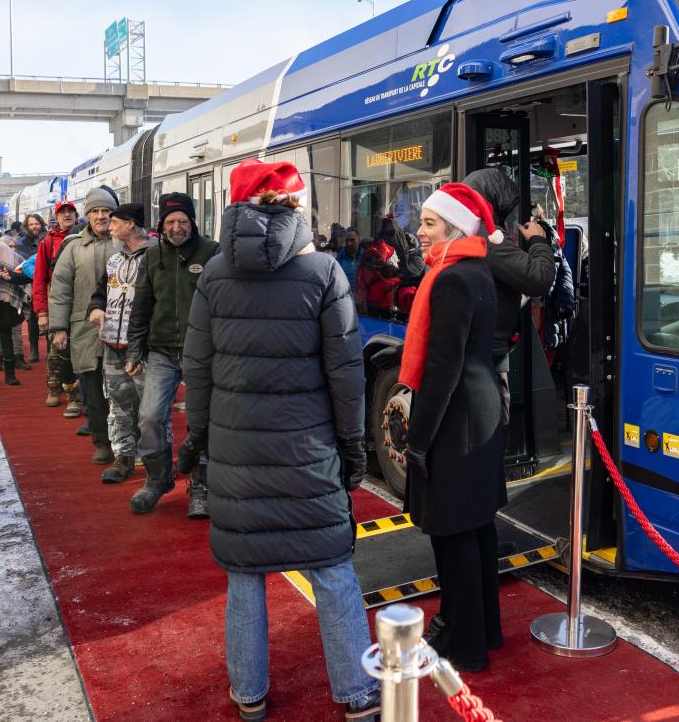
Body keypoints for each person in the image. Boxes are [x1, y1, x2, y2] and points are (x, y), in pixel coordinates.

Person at [181, 158, 379, 721]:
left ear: (237, 206)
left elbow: (197, 370)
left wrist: (199, 444)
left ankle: (249, 694)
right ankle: (357, 694)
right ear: (296, 206)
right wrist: (353, 448)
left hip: (238, 453)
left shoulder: (215, 274)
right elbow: (347, 375)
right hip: (308, 452)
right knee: (333, 569)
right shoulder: (324, 273)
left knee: (245, 575)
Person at [402, 182, 506, 673]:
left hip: (456, 417)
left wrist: (417, 439)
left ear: (455, 228)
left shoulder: (450, 280)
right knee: (477, 526)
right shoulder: (475, 271)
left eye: (428, 223)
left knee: (452, 533)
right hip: (476, 411)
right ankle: (483, 629)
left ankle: (463, 643)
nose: (418, 232)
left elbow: (441, 370)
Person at [124, 192, 219, 516]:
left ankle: (201, 484)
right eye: (170, 221)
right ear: (161, 225)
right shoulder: (151, 257)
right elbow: (141, 307)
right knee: (150, 416)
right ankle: (158, 479)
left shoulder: (212, 253)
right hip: (161, 351)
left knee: (200, 421)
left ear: (192, 222)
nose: (177, 227)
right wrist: (135, 350)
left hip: (201, 352)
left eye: (182, 220)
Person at [462, 167, 556, 423]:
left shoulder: (464, 232)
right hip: (488, 352)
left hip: (478, 347)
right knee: (494, 426)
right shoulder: (486, 239)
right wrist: (538, 241)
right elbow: (539, 279)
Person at [48, 188, 119, 464]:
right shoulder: (74, 247)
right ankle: (102, 443)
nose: (101, 216)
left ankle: (126, 442)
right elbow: (61, 289)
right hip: (84, 330)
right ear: (87, 215)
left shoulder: (126, 240)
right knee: (93, 390)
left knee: (124, 390)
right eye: (96, 211)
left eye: (106, 211)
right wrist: (58, 327)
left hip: (123, 328)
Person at [86, 203, 155, 484]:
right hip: (112, 344)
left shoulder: (156, 257)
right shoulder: (114, 258)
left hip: (145, 347)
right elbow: (99, 292)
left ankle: (154, 458)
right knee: (118, 403)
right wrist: (95, 308)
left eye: (115, 222)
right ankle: (123, 456)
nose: (109, 226)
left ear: (130, 225)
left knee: (150, 408)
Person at [34, 201, 82, 413]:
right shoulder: (47, 242)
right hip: (56, 305)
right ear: (56, 217)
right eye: (63, 212)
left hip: (81, 305)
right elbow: (39, 279)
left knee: (78, 352)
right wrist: (42, 312)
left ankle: (74, 394)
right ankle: (54, 388)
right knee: (56, 352)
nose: (67, 215)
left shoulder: (84, 238)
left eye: (71, 211)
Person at [0, 236, 34, 386]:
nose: (10, 248)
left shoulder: (17, 258)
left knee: (6, 335)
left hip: (7, 303)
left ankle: (10, 374)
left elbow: (25, 276)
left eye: (12, 245)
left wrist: (12, 277)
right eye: (7, 246)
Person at [16, 213, 47, 363]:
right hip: (31, 285)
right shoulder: (21, 243)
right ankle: (34, 349)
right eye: (31, 224)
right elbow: (21, 265)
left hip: (48, 284)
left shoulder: (48, 237)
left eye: (37, 223)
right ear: (27, 227)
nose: (35, 226)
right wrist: (38, 275)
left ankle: (51, 348)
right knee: (33, 319)